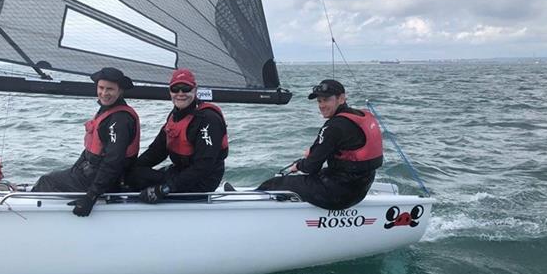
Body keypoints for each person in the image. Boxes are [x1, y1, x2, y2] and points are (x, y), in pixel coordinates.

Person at [256, 79, 382, 209]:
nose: (321, 105)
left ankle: (253, 209)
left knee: (275, 184)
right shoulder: (360, 116)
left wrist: (298, 165)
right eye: (319, 101)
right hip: (360, 189)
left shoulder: (334, 126)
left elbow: (311, 166)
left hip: (339, 196)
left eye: (326, 100)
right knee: (315, 177)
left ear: (341, 99)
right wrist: (313, 156)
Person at [31, 67, 140, 217]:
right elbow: (91, 150)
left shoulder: (119, 119)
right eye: (101, 88)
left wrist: (91, 197)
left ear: (120, 91)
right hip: (88, 174)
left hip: (103, 181)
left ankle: (34, 218)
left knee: (47, 181)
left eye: (110, 89)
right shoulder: (107, 110)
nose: (104, 93)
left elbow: (113, 162)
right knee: (53, 178)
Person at [126, 68, 228, 203]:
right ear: (170, 91)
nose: (180, 93)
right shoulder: (174, 116)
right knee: (133, 176)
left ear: (195, 89)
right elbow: (155, 152)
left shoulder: (208, 119)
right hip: (180, 173)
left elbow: (203, 167)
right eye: (175, 89)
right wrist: (129, 169)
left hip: (202, 182)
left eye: (186, 88)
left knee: (142, 187)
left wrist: (164, 189)